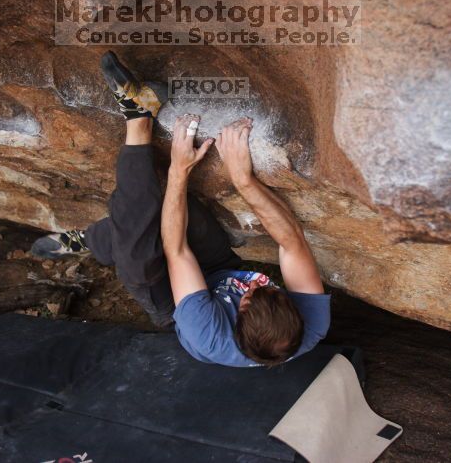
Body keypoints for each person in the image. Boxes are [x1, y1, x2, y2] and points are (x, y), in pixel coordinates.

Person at [32, 51, 330, 367]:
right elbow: (291, 240)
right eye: (270, 288)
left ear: (238, 314)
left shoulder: (207, 331)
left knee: (136, 251)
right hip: (218, 267)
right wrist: (243, 179)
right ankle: (102, 239)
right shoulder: (310, 324)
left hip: (171, 301)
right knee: (166, 208)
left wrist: (179, 169)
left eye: (251, 293)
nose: (257, 281)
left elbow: (178, 252)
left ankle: (138, 121)